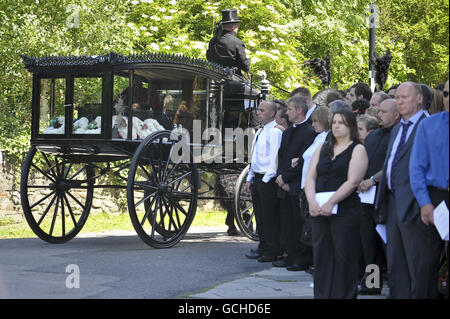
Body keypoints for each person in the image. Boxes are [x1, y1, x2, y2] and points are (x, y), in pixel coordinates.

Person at [305, 108, 368, 298]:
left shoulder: (358, 149)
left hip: (345, 210)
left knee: (344, 257)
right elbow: (310, 176)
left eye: (341, 122)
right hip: (319, 210)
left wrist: (331, 202)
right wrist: (311, 202)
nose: (336, 126)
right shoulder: (323, 147)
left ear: (350, 126)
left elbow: (353, 181)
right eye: (334, 123)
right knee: (322, 258)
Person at [375, 82, 429, 298]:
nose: (399, 101)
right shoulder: (397, 128)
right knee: (396, 262)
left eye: (404, 97)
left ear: (419, 99)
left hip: (416, 205)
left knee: (417, 263)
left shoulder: (429, 125)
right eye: (397, 97)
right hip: (392, 202)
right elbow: (390, 163)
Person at [409, 79, 449, 299]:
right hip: (434, 198)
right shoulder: (428, 125)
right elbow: (416, 168)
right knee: (425, 263)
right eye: (446, 94)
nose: (448, 99)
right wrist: (425, 202)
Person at [357, 98, 400, 295]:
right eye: (379, 111)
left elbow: (391, 165)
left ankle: (397, 284)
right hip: (366, 198)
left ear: (396, 114)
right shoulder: (375, 135)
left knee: (387, 244)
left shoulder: (399, 134)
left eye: (383, 112)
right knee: (369, 244)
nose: (379, 114)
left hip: (384, 197)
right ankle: (372, 283)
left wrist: (372, 181)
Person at [274, 95, 316, 270]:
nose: (287, 113)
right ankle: (289, 255)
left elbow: (303, 160)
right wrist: (280, 177)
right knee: (286, 223)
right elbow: (282, 156)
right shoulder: (289, 131)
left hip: (296, 183)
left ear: (299, 110)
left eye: (290, 109)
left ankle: (300, 257)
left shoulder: (309, 132)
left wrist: (287, 178)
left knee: (298, 223)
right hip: (284, 183)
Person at [245, 100, 283, 262]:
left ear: (272, 113)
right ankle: (263, 245)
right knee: (260, 216)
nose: (258, 112)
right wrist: (250, 177)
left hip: (267, 178)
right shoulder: (260, 131)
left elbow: (275, 158)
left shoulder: (275, 132)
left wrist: (267, 179)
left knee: (269, 217)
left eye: (262, 110)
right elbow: (254, 157)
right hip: (258, 177)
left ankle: (272, 249)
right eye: (258, 110)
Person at [206, 9, 250, 79]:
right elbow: (245, 65)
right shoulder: (237, 43)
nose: (238, 28)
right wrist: (247, 69)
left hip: (214, 78)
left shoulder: (213, 41)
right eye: (237, 25)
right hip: (233, 80)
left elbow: (209, 57)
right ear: (233, 27)